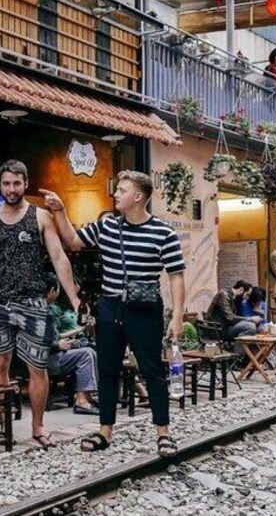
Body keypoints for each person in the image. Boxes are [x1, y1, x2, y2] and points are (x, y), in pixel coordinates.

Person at [41, 170, 186, 458]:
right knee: (107, 369)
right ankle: (105, 430)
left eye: (122, 189)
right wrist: (60, 211)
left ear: (138, 196)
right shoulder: (107, 227)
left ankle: (163, 432)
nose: (116, 194)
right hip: (110, 306)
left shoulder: (163, 233)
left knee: (152, 369)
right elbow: (72, 240)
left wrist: (178, 317)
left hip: (145, 309)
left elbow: (176, 276)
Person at [0, 160, 80, 450]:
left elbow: (60, 257)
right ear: (0, 186)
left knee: (37, 366)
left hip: (33, 301)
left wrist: (73, 296)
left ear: (25, 184)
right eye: (6, 183)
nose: (11, 189)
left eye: (17, 183)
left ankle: (37, 426)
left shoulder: (40, 217)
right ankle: (4, 426)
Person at [43, 273, 99, 416]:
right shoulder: (49, 310)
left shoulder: (48, 308)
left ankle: (86, 396)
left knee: (91, 350)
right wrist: (59, 344)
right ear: (52, 291)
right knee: (86, 353)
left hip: (56, 351)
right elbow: (46, 340)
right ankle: (81, 400)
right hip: (50, 358)